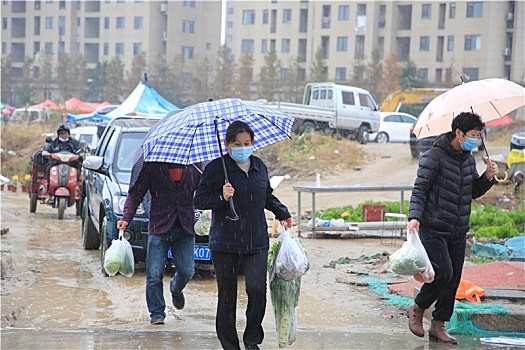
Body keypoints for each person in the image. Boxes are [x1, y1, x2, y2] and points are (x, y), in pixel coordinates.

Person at [194, 121, 293, 350]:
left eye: (246, 143)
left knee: (257, 290)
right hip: (225, 242)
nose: (242, 147)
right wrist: (221, 196)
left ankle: (252, 341)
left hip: (256, 240)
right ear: (227, 144)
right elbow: (199, 199)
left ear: (253, 143)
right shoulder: (216, 168)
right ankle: (230, 344)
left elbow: (266, 195)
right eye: (237, 143)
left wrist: (282, 213)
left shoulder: (259, 166)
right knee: (227, 295)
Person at [406, 112, 499, 344]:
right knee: (444, 272)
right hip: (434, 227)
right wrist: (415, 217)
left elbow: (471, 191)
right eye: (472, 135)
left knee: (454, 278)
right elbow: (420, 189)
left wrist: (487, 178)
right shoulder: (434, 156)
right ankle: (417, 307)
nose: (475, 140)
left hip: (458, 229)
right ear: (458, 133)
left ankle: (439, 325)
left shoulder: (468, 159)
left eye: (478, 135)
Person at [117, 161, 202, 325]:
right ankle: (157, 312)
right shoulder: (152, 165)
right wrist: (126, 217)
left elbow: (205, 190)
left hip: (185, 227)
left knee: (187, 271)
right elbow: (136, 193)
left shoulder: (196, 164)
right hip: (159, 225)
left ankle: (175, 289)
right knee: (154, 273)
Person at [42, 124, 84, 202]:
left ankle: (75, 190)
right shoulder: (54, 143)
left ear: (68, 134)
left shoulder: (74, 142)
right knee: (49, 169)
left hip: (72, 164)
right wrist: (47, 154)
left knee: (78, 172)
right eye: (61, 134)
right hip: (56, 163)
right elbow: (45, 151)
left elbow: (80, 151)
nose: (63, 135)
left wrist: (81, 155)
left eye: (65, 133)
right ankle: (49, 189)